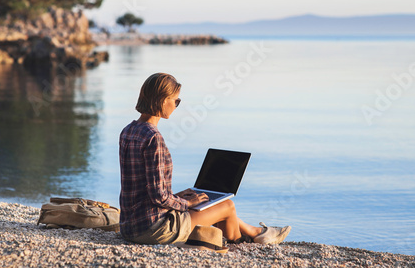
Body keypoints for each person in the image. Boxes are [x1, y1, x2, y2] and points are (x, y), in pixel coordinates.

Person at [119, 72, 291, 245]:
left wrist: (178, 197)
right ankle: (243, 244)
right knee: (228, 207)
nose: (176, 105)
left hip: (129, 226)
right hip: (154, 229)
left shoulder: (127, 131)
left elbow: (142, 190)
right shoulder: (153, 137)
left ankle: (256, 233)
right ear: (164, 100)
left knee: (208, 204)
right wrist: (186, 203)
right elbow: (158, 197)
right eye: (176, 101)